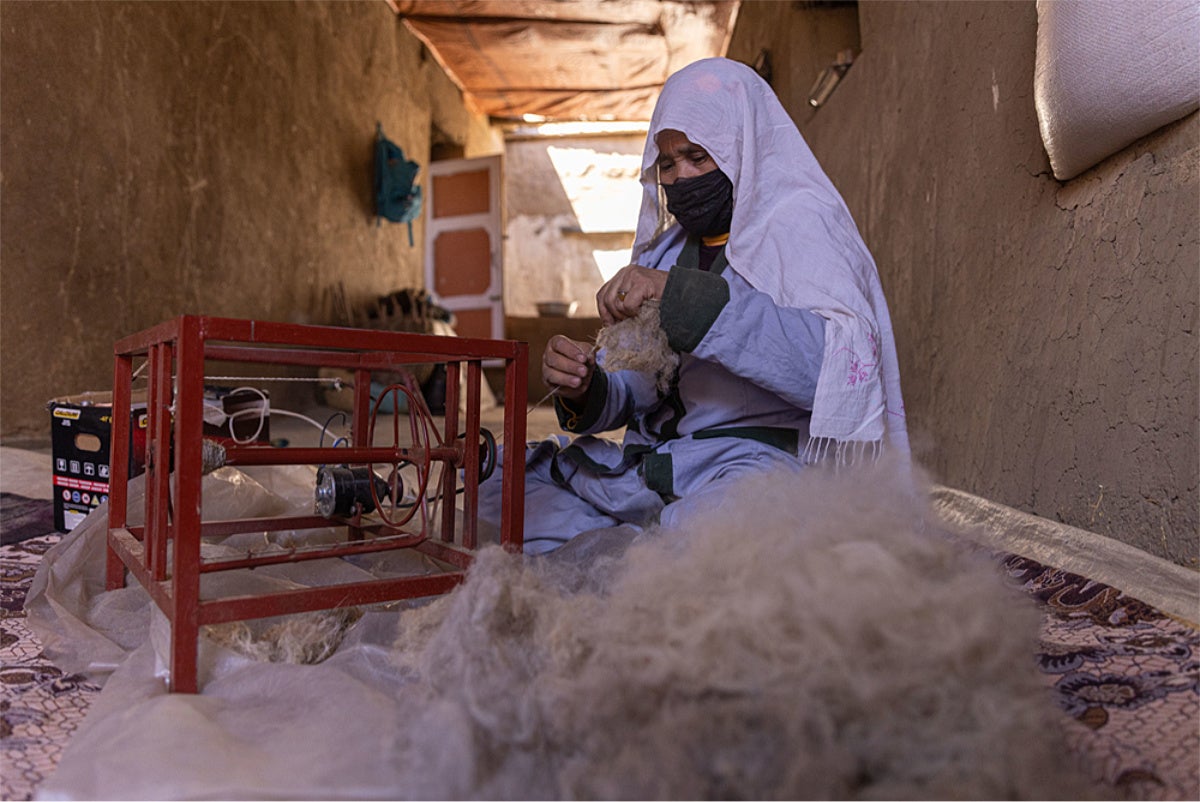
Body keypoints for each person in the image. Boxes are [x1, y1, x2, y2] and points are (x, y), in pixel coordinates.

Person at [482, 57, 908, 555]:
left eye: (697, 157)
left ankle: (635, 554)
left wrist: (676, 294)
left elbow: (832, 371)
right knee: (496, 486)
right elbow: (635, 390)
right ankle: (634, 549)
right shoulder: (665, 251)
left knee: (707, 548)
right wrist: (586, 385)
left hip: (752, 470)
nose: (681, 178)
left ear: (739, 150)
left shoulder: (803, 231)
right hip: (657, 470)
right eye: (667, 164)